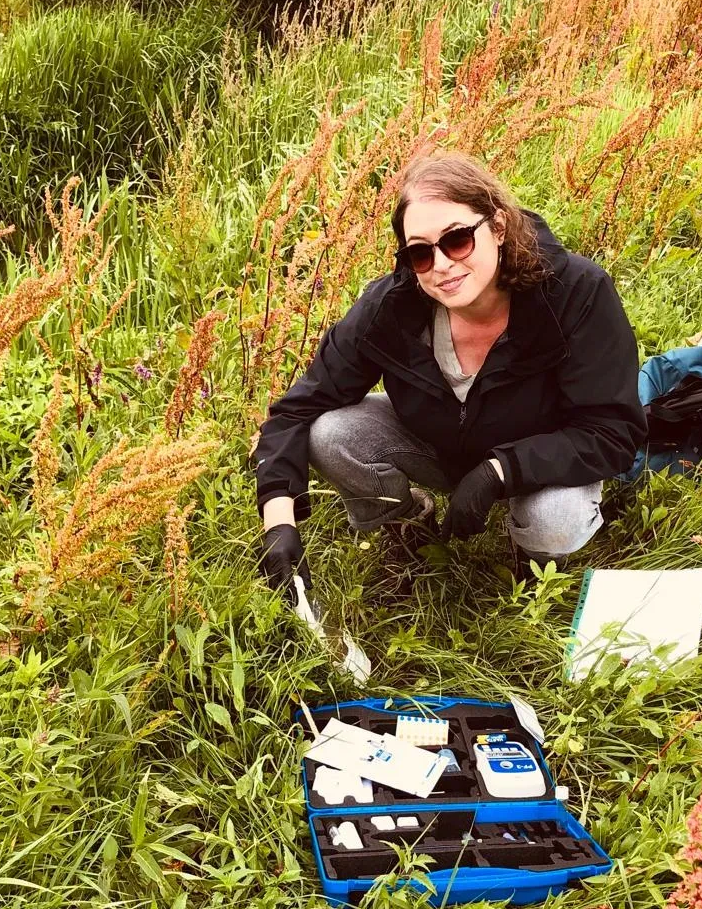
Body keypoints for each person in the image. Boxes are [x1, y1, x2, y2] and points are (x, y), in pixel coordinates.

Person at [253, 152, 646, 593]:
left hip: (540, 456)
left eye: (457, 240)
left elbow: (612, 433)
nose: (440, 265)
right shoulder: (391, 307)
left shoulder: (577, 292)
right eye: (419, 252)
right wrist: (278, 521)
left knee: (554, 520)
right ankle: (407, 528)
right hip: (440, 446)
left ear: (498, 227)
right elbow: (297, 409)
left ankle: (533, 563)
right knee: (329, 434)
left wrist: (502, 470)